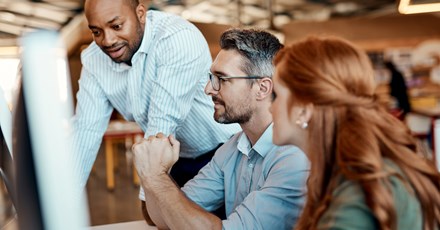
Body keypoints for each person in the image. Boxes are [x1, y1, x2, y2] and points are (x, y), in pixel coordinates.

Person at [132, 28, 309, 229]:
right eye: (211, 78)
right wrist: (153, 173)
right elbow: (165, 219)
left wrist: (157, 178)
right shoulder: (232, 149)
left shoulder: (294, 157)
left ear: (262, 88)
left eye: (221, 79)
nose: (208, 89)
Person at [73, 0, 240, 196]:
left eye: (117, 26)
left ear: (141, 14)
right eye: (96, 32)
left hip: (225, 150)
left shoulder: (176, 37)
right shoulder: (94, 59)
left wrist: (148, 198)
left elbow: (162, 124)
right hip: (176, 158)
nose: (107, 40)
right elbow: (85, 131)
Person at [271, 36, 440, 229]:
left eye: (276, 96)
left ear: (304, 110)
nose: (270, 108)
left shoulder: (355, 201)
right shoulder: (371, 171)